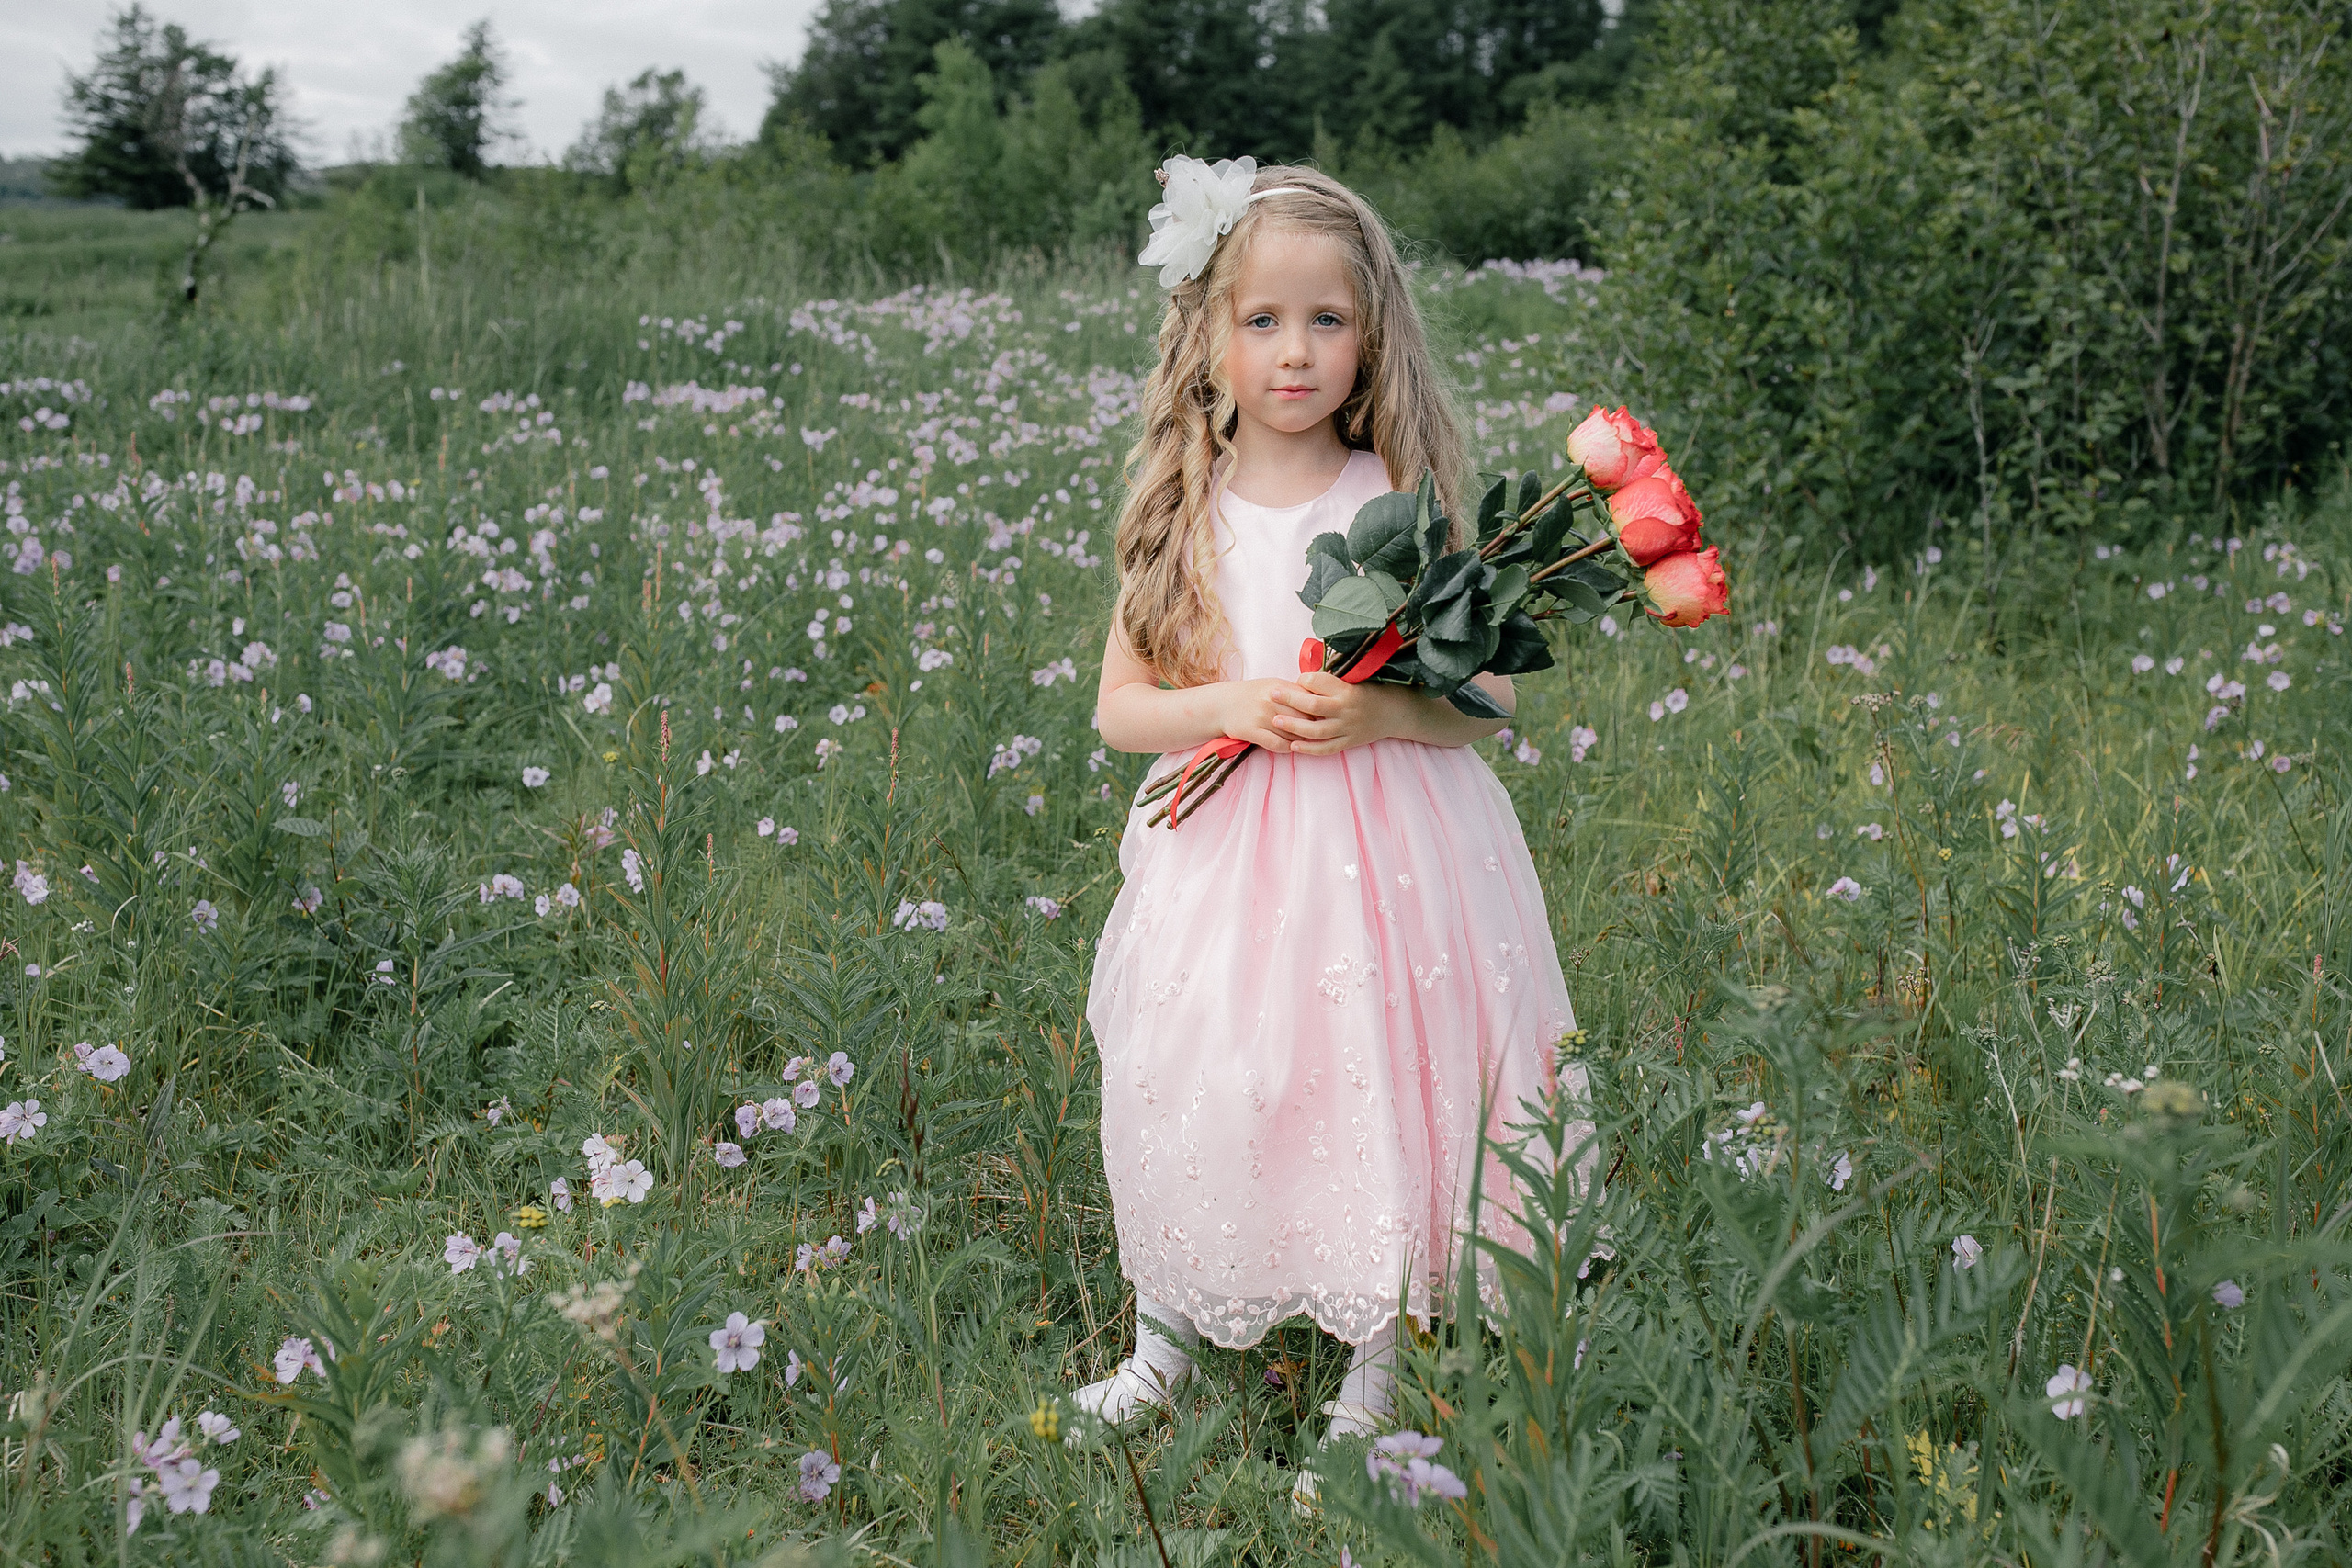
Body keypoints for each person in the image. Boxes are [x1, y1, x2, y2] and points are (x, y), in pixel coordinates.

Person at [1081, 156, 1589, 1503]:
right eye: (1261, 320)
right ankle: (1167, 1331)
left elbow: (1488, 703)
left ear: (1370, 339)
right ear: (1208, 336)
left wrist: (1384, 718)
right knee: (1192, 1072)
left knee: (1378, 1077)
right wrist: (1232, 702)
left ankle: (1375, 1362)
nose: (1294, 351)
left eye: (1327, 320)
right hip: (1222, 856)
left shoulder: (1394, 498)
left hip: (1386, 853)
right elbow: (1123, 713)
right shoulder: (1181, 511)